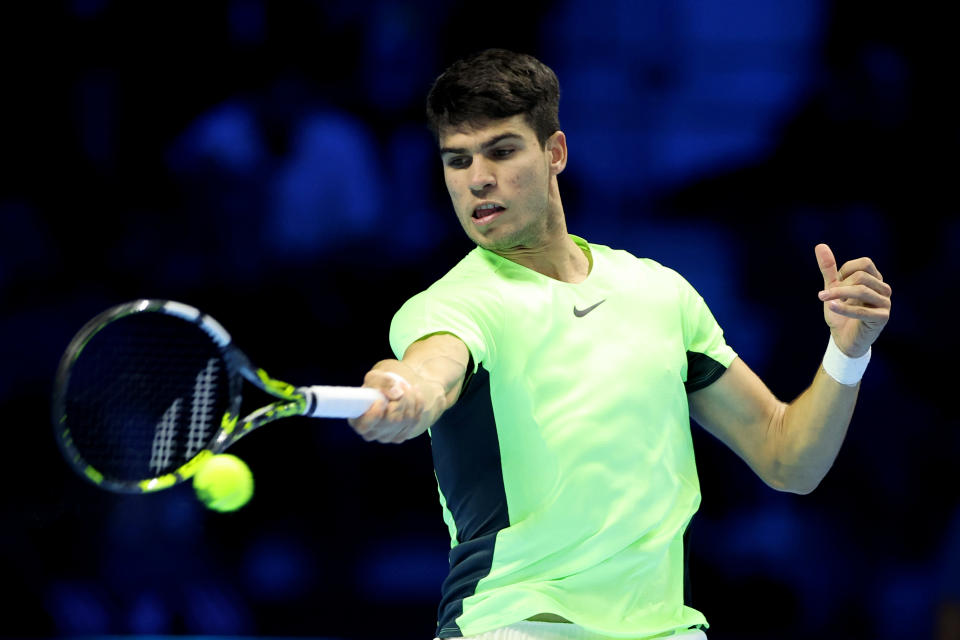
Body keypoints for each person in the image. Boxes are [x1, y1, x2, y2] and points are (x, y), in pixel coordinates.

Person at [348, 49, 892, 640]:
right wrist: (403, 391)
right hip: (517, 625)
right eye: (458, 161)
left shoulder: (659, 292)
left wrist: (847, 353)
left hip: (666, 630)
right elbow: (430, 369)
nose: (478, 177)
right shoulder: (451, 305)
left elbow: (789, 459)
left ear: (554, 152)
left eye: (502, 151)